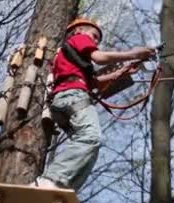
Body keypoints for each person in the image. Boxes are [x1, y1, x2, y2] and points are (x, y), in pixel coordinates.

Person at [31, 17, 155, 190]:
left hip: (64, 101)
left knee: (91, 148)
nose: (95, 40)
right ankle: (49, 180)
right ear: (78, 31)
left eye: (97, 38)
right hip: (73, 96)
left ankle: (63, 188)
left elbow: (95, 82)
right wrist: (134, 53)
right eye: (94, 35)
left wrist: (123, 71)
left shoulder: (72, 59)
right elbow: (100, 57)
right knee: (91, 138)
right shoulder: (79, 39)